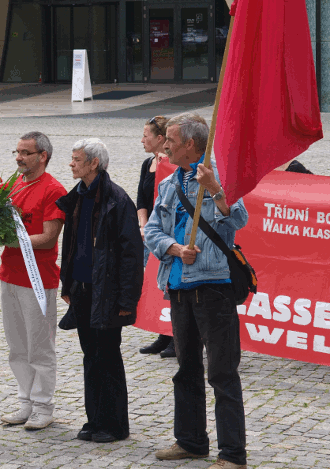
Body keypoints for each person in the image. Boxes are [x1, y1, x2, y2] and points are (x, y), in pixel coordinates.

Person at [144, 113, 249, 469]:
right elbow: (153, 231)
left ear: (190, 144)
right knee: (185, 369)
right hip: (178, 288)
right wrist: (174, 249)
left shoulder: (217, 176)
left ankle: (232, 454)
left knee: (221, 373)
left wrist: (217, 189)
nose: (165, 144)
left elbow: (238, 220)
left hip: (213, 289)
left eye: (171, 139)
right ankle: (190, 441)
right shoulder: (169, 183)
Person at [56, 138, 144, 443]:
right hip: (81, 290)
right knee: (89, 356)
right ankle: (94, 420)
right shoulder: (77, 196)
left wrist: (127, 299)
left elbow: (132, 255)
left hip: (106, 292)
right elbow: (70, 245)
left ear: (94, 163)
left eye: (76, 159)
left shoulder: (117, 200)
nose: (71, 163)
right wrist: (67, 283)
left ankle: (115, 425)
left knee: (108, 357)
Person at [0, 131, 66, 431]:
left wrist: (7, 238)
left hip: (38, 279)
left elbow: (48, 238)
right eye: (16, 152)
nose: (18, 157)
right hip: (9, 274)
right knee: (17, 345)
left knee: (40, 346)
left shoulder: (53, 190)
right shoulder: (13, 184)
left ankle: (43, 405)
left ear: (42, 156)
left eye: (25, 153)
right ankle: (25, 401)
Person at [136, 115, 175, 358]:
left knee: (170, 285)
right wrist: (143, 225)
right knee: (154, 284)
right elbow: (141, 199)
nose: (141, 140)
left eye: (145, 135)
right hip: (149, 232)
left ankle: (177, 337)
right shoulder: (146, 164)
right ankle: (162, 334)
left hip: (167, 234)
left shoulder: (174, 164)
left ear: (160, 138)